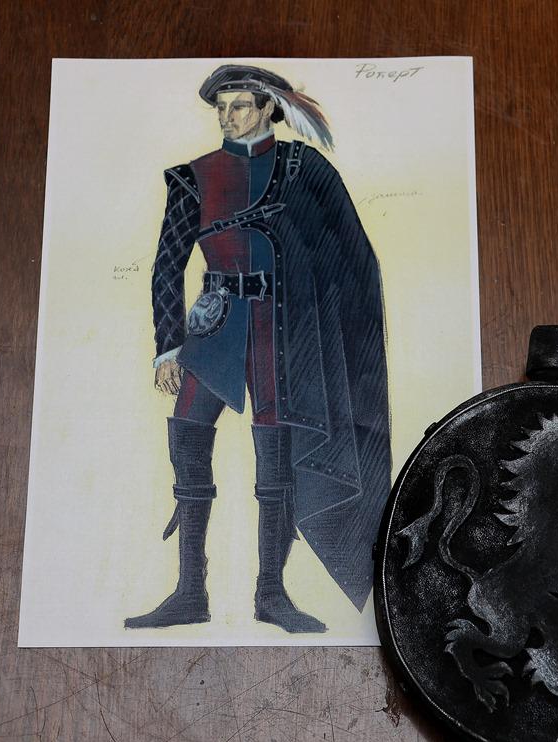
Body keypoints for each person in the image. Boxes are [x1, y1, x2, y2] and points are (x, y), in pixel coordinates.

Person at [125, 65, 391, 633]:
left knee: (276, 463)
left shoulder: (304, 170)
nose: (228, 117)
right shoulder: (194, 177)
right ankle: (189, 593)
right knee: (188, 442)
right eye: (222, 108)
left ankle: (271, 595)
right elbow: (167, 266)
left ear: (269, 107)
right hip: (214, 326)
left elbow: (351, 256)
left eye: (241, 105)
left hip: (282, 331)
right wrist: (167, 348)